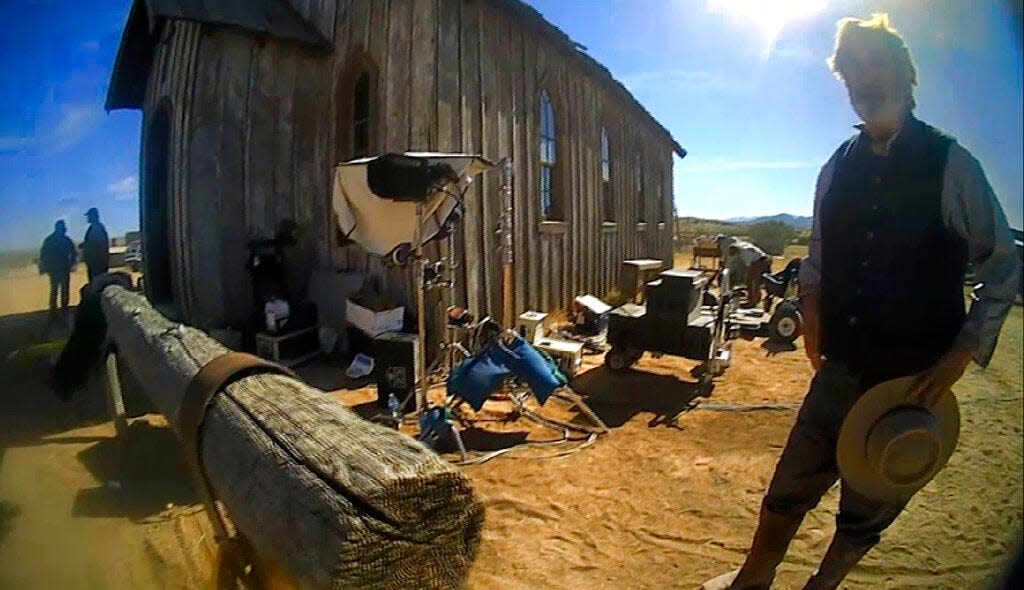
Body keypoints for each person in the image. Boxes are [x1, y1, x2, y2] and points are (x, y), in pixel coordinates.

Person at [704, 13, 1020, 590]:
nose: (863, 81)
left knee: (869, 503)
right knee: (788, 488)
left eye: (875, 65)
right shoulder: (837, 167)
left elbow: (1002, 262)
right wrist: (812, 310)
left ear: (905, 73)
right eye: (851, 72)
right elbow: (819, 254)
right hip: (842, 367)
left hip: (913, 378)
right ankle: (753, 579)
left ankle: (821, 587)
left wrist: (961, 354)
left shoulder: (951, 165)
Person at [718, 235, 771, 307]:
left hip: (760, 261)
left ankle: (752, 301)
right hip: (761, 259)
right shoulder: (741, 245)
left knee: (752, 282)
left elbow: (749, 266)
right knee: (754, 282)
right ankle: (755, 299)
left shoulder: (745, 252)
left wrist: (746, 278)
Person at [38, 219, 77, 315]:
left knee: (56, 291)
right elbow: (74, 253)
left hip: (57, 270)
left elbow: (43, 255)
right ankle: (61, 312)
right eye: (63, 227)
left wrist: (45, 267)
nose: (65, 229)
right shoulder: (66, 240)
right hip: (61, 269)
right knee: (61, 291)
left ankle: (55, 312)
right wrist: (71, 263)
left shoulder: (49, 240)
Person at [81, 207, 109, 280]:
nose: (88, 218)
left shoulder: (97, 228)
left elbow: (99, 245)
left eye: (89, 216)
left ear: (93, 216)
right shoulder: (94, 227)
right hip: (95, 263)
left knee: (97, 284)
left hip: (97, 264)